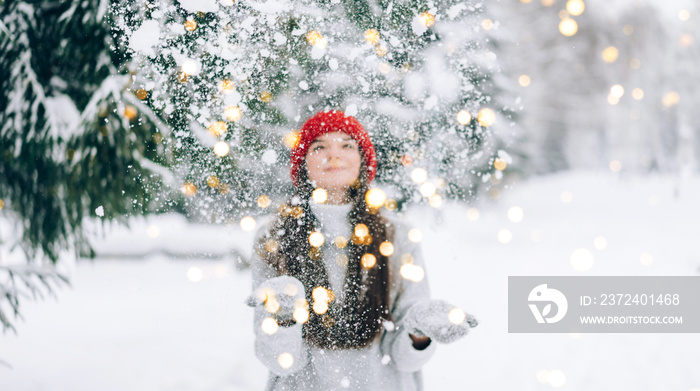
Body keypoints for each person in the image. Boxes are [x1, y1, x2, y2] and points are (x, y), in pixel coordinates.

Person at [248, 110, 477, 391]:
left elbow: (405, 360)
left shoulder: (398, 236)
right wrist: (283, 318)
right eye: (319, 146)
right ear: (302, 163)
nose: (335, 155)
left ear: (363, 160)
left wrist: (419, 332)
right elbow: (283, 362)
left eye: (347, 145)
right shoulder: (273, 238)